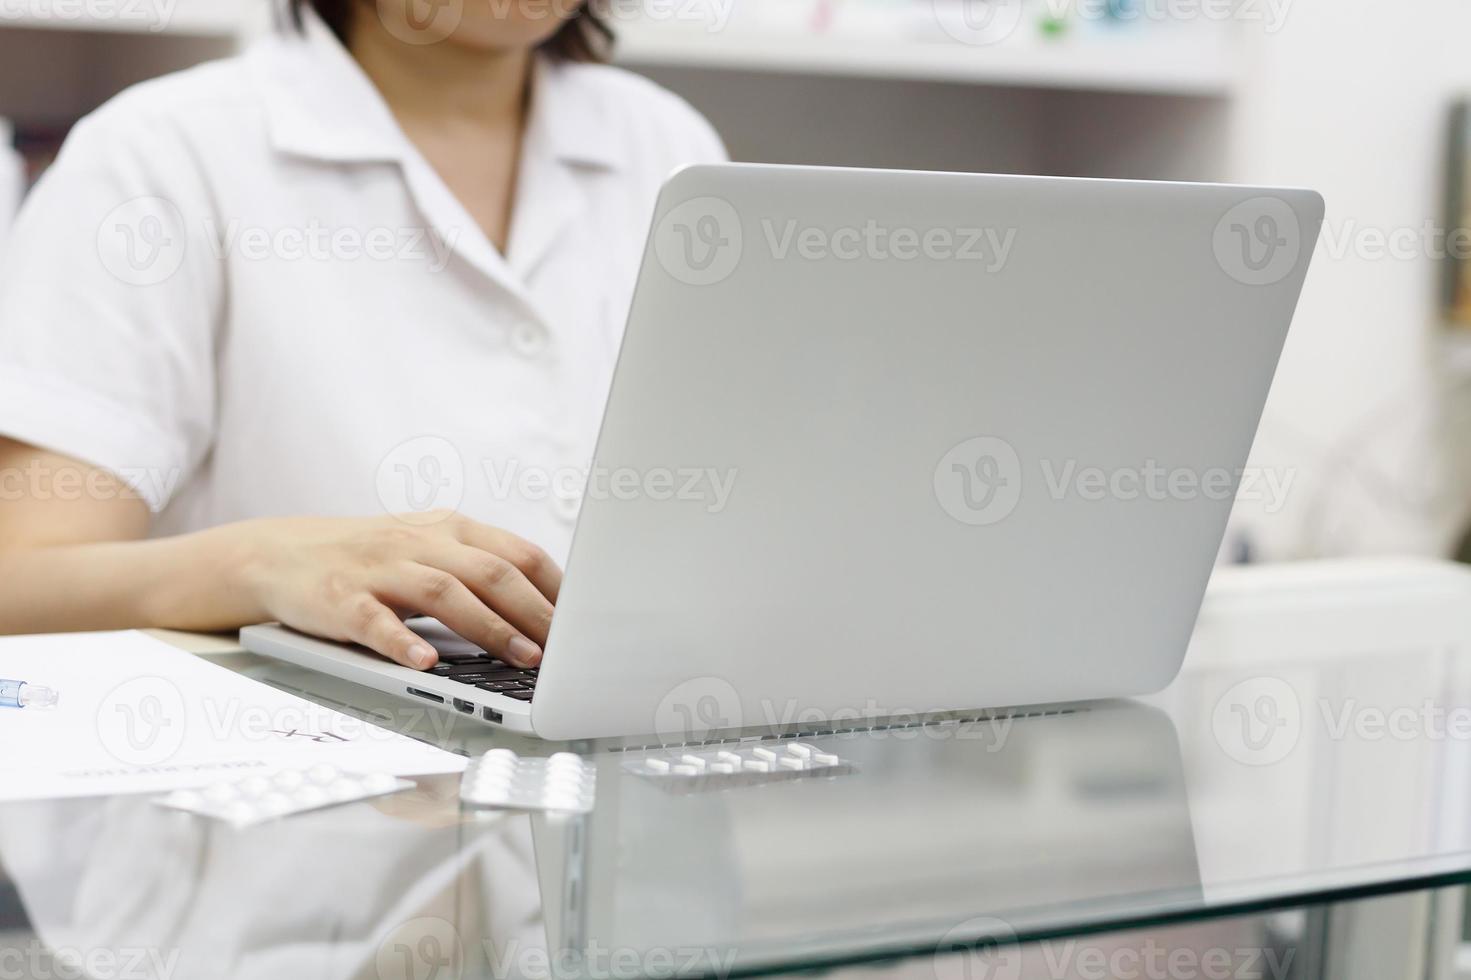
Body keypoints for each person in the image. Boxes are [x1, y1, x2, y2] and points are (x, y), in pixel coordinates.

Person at [0, 0, 725, 670]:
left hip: (633, 730)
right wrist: (262, 563)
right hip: (289, 761)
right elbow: (20, 579)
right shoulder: (161, 150)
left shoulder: (669, 144)